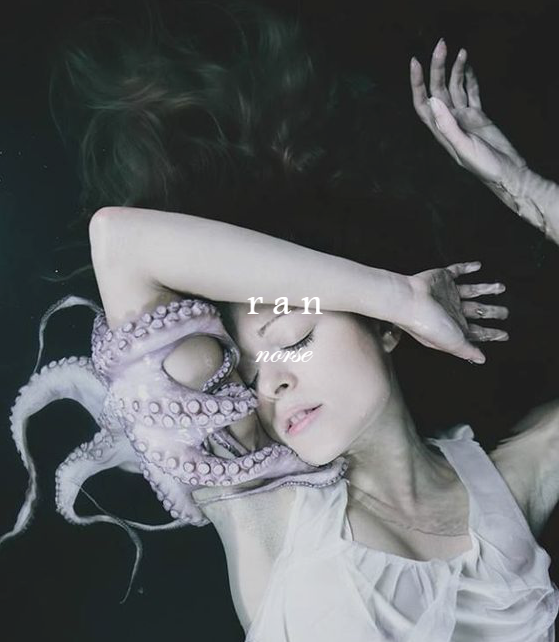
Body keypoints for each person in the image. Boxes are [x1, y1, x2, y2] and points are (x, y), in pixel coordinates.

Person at [3, 4, 559, 641]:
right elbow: (120, 242)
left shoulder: (506, 486)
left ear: (384, 329)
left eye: (293, 339)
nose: (270, 385)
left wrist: (530, 193)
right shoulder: (265, 504)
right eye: (247, 377)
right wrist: (397, 295)